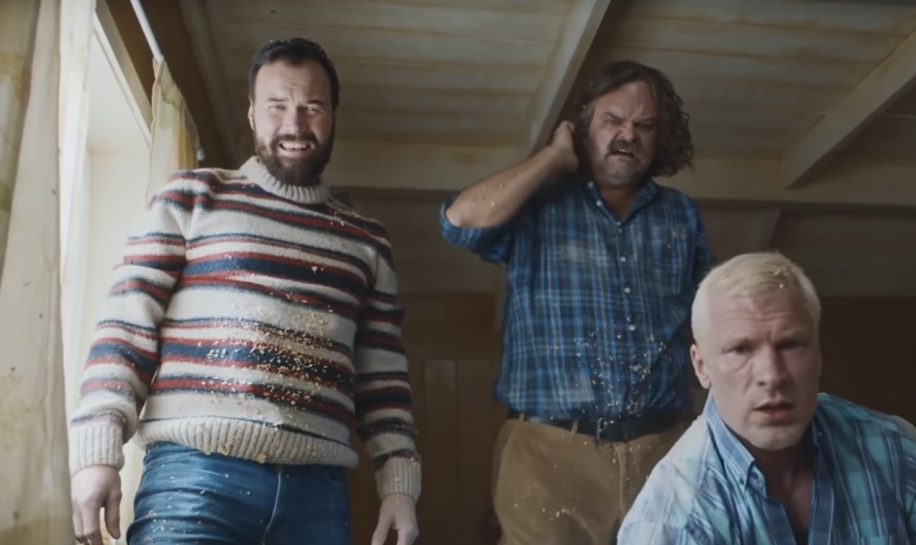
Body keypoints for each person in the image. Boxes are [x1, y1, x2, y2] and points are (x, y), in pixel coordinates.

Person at [69, 38, 419, 545]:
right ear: (252, 113)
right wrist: (97, 455)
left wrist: (400, 488)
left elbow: (384, 383)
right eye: (277, 105)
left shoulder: (368, 242)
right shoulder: (190, 197)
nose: (294, 124)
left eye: (312, 107)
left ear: (333, 117)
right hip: (193, 478)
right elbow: (127, 325)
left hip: (317, 496)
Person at [440, 60, 713, 544]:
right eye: (613, 120)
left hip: (664, 451)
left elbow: (715, 317)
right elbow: (459, 223)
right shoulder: (536, 203)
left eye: (645, 125)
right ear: (584, 124)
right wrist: (553, 158)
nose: (628, 135)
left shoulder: (681, 214)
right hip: (548, 453)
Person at [619, 252, 916, 545]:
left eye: (791, 344)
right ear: (702, 367)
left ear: (819, 353)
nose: (772, 375)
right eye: (741, 349)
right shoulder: (671, 523)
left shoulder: (891, 446)